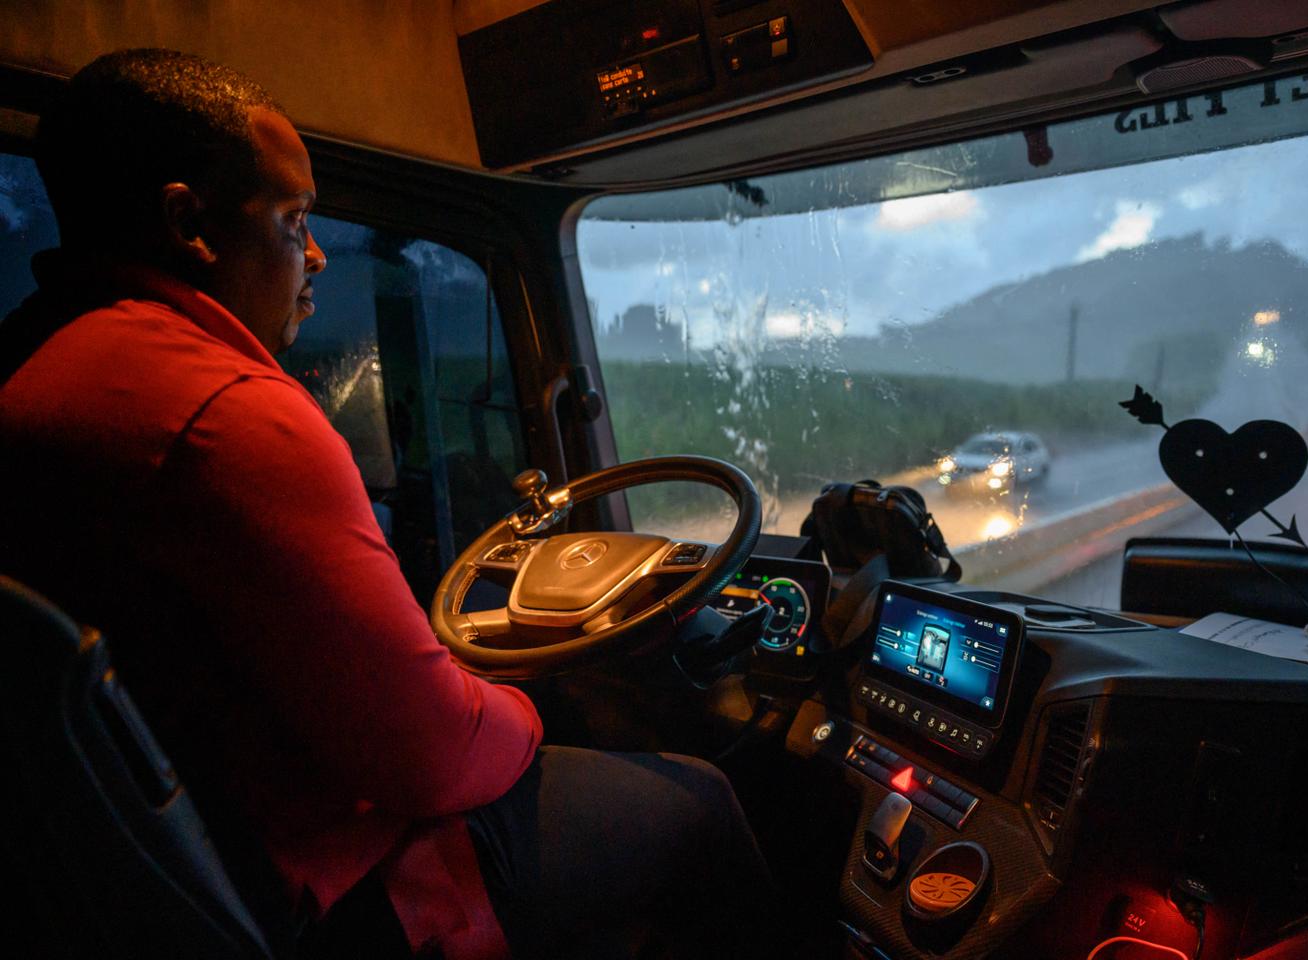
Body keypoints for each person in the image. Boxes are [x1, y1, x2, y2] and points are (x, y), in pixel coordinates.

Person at [0, 49, 776, 959]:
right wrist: (533, 696)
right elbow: (433, 754)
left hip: (162, 874)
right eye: (294, 221)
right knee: (701, 805)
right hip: (333, 883)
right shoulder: (228, 413)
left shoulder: (35, 367)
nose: (318, 253)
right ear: (189, 223)